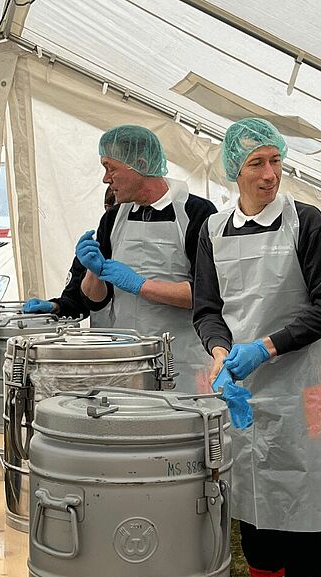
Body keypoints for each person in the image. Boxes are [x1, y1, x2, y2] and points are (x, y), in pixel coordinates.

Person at [193, 118, 321, 577]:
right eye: (256, 163)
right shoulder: (213, 231)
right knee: (252, 510)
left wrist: (264, 347)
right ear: (234, 171)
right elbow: (207, 308)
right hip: (241, 391)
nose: (269, 174)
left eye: (275, 161)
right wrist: (220, 352)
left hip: (300, 386)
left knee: (300, 513)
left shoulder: (308, 223)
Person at [74, 125, 217, 392]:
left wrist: (140, 285)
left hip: (182, 366)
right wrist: (92, 272)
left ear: (139, 164)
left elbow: (208, 295)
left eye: (111, 167)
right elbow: (96, 299)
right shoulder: (114, 217)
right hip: (126, 363)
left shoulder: (197, 213)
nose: (106, 179)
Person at [21, 186, 117, 320]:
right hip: (103, 337)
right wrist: (54, 306)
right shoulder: (90, 252)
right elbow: (75, 302)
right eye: (116, 210)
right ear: (107, 209)